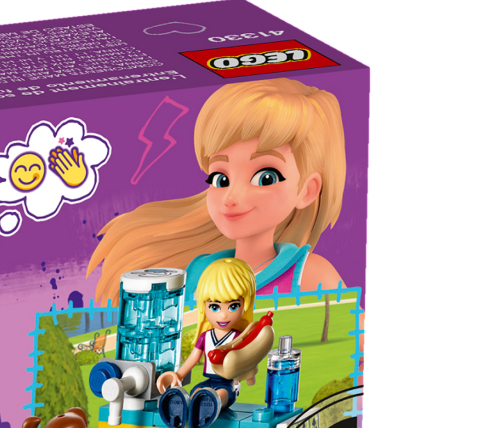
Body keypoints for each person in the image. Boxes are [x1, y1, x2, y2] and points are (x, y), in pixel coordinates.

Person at [89, 78, 346, 308]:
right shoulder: (195, 276)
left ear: (307, 191)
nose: (231, 198)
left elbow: (357, 342)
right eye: (220, 179)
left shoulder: (308, 275)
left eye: (265, 178)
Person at [155, 257, 274, 428]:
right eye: (215, 307)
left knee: (221, 395)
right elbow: (193, 358)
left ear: (245, 305)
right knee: (196, 392)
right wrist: (178, 375)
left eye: (233, 306)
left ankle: (211, 407)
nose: (223, 316)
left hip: (228, 384)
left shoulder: (238, 338)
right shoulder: (206, 337)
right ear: (203, 306)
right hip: (208, 381)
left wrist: (249, 375)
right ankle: (181, 409)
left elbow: (247, 358)